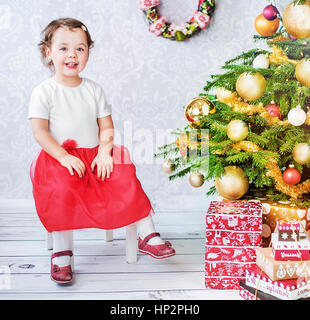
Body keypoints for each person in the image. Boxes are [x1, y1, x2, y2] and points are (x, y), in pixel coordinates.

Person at [28, 18, 175, 284]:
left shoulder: (93, 89)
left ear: (88, 53)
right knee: (62, 189)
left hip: (96, 156)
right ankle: (62, 251)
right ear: (48, 52)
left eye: (80, 48)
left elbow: (106, 126)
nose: (72, 54)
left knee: (126, 177)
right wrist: (62, 156)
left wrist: (105, 151)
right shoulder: (44, 91)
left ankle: (147, 234)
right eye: (63, 48)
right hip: (61, 158)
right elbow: (40, 131)